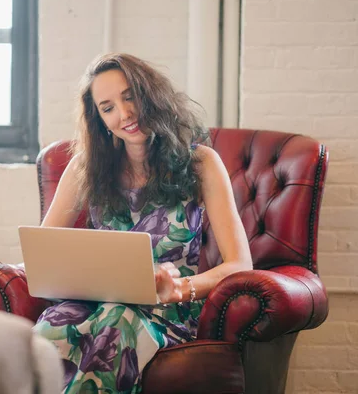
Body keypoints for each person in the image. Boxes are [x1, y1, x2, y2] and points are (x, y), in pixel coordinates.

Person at [32, 53, 252, 393]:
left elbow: (240, 264)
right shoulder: (84, 167)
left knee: (117, 322)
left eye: (129, 96)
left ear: (150, 93)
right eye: (108, 108)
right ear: (100, 120)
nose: (125, 114)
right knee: (51, 329)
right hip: (92, 305)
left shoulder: (201, 163)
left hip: (165, 312)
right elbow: (43, 252)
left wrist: (181, 288)